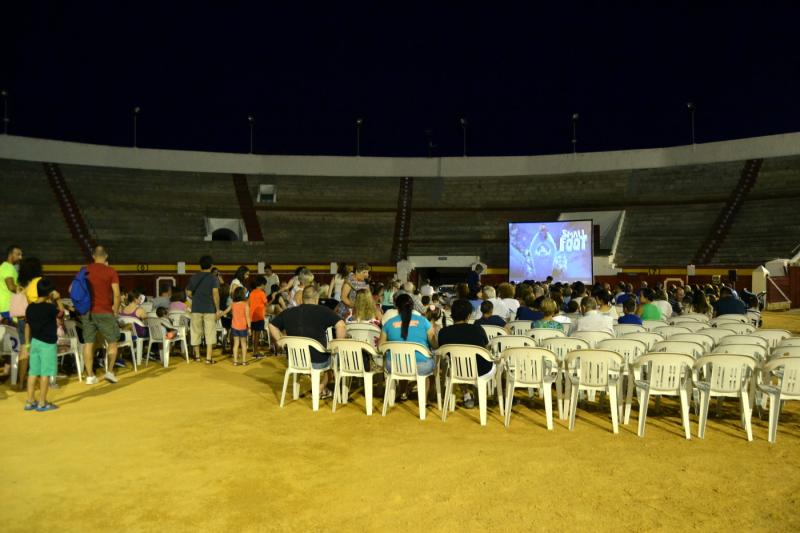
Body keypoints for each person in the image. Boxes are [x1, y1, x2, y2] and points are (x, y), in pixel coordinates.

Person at [268, 285, 346, 397]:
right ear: (317, 299)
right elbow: (341, 325)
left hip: (295, 360)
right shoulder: (323, 311)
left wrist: (281, 342)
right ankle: (319, 388)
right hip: (317, 360)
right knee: (333, 365)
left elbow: (271, 325)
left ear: (302, 299)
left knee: (316, 359)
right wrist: (337, 346)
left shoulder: (289, 312)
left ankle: (319, 388)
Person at [379, 293, 437, 400]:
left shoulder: (388, 323)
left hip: (394, 365)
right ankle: (424, 400)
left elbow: (380, 347)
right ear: (412, 306)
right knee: (431, 364)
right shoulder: (424, 321)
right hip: (421, 366)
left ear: (396, 306)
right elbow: (435, 344)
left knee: (402, 360)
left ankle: (402, 392)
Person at [438, 298, 493, 409]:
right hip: (481, 370)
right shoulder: (478, 329)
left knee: (457, 364)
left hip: (456, 370)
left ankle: (466, 394)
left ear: (452, 315)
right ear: (469, 315)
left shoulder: (443, 332)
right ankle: (486, 394)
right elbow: (486, 350)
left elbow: (443, 354)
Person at [81, 246, 121, 384]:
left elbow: (71, 289)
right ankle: (109, 372)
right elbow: (116, 294)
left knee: (88, 343)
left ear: (93, 256)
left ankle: (90, 376)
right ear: (106, 256)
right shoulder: (110, 271)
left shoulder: (84, 270)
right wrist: (115, 309)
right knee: (112, 342)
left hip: (88, 312)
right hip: (105, 311)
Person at [22, 278, 62, 411]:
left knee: (33, 372)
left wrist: (27, 344)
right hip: (48, 344)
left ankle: (29, 401)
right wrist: (58, 299)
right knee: (45, 373)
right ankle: (42, 402)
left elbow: (27, 326)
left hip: (35, 342)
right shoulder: (50, 308)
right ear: (49, 293)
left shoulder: (30, 307)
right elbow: (61, 313)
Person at [186, 255, 222, 364]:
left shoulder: (194, 277)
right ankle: (208, 358)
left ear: (200, 265)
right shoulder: (213, 278)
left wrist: (197, 298)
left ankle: (197, 356)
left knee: (196, 331)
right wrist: (218, 309)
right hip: (209, 309)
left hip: (196, 308)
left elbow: (188, 293)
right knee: (210, 332)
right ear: (211, 266)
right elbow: (215, 294)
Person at [228, 287, 250, 366]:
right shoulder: (245, 305)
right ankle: (244, 361)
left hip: (234, 327)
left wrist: (220, 314)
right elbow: (247, 317)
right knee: (243, 344)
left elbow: (227, 311)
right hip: (243, 327)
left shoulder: (233, 304)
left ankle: (235, 361)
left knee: (236, 344)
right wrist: (249, 328)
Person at [0, 244, 23, 321]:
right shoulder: (8, 267)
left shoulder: (4, 266)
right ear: (10, 254)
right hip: (8, 307)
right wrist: (25, 291)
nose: (20, 257)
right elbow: (11, 287)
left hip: (5, 306)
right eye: (18, 254)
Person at [248, 276, 268, 358]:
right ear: (262, 284)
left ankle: (254, 350)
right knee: (257, 335)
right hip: (259, 316)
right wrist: (273, 298)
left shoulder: (252, 292)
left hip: (252, 316)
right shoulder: (262, 293)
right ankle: (256, 352)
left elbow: (249, 303)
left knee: (254, 335)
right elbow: (266, 303)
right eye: (265, 285)